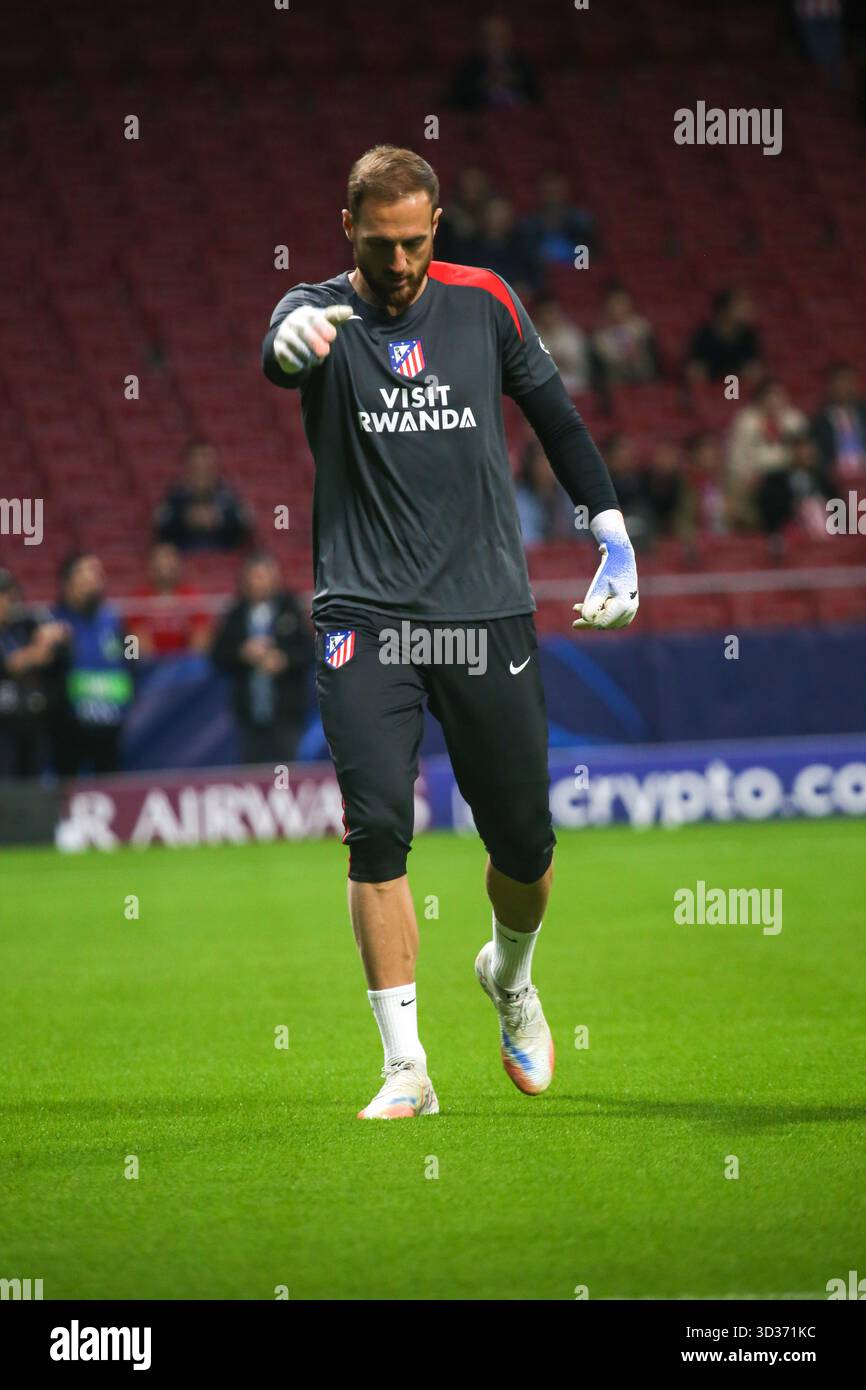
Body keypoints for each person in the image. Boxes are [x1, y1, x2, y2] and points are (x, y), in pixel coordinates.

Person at [262, 144, 639, 1120]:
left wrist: (611, 535)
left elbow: (555, 417)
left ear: (437, 228)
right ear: (346, 227)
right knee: (376, 824)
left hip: (482, 613)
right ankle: (406, 1066)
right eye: (378, 244)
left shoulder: (483, 301)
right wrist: (292, 343)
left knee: (523, 842)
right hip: (364, 615)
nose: (396, 264)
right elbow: (277, 348)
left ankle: (508, 976)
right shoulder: (314, 310)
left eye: (412, 242)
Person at [210, 552, 314, 766]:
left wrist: (283, 659)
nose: (260, 582)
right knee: (252, 774)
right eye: (255, 576)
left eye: (265, 576)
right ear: (246, 579)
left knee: (288, 772)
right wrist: (242, 652)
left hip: (286, 709)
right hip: (249, 712)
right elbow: (217, 654)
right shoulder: (236, 612)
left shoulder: (290, 608)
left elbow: (309, 650)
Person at [49, 553, 132, 776]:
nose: (96, 579)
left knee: (110, 787)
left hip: (109, 724)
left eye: (99, 574)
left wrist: (134, 651)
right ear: (68, 582)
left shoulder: (113, 619)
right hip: (69, 727)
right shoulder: (52, 621)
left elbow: (131, 655)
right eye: (88, 573)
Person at [0, 570, 68, 778]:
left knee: (33, 783)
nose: (7, 602)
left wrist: (52, 635)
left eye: (8, 595)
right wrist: (33, 655)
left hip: (31, 719)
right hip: (3, 728)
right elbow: (12, 664)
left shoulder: (23, 625)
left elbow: (58, 636)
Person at [726, 380, 807, 532]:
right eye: (772, 396)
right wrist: (747, 476)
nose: (776, 400)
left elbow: (804, 450)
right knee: (769, 494)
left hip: (788, 475)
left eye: (780, 395)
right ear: (761, 398)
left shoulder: (794, 418)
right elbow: (737, 457)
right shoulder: (746, 420)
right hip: (758, 478)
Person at [153, 441, 252, 553]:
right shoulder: (175, 497)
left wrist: (219, 519)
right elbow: (162, 527)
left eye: (206, 462)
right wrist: (187, 518)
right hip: (184, 556)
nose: (202, 466)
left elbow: (244, 523)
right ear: (188, 465)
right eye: (198, 463)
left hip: (223, 557)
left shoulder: (228, 496)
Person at [127, 542, 211, 658]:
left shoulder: (193, 597)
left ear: (179, 565)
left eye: (170, 559)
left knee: (201, 665)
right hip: (149, 665)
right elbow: (133, 645)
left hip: (186, 664)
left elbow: (201, 639)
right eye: (160, 559)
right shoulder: (138, 598)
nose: (165, 563)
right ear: (150, 567)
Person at [449, 14, 541, 112]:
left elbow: (536, 99)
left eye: (501, 37)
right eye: (490, 38)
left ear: (510, 39)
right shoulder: (468, 66)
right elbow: (456, 101)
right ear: (481, 41)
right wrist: (484, 84)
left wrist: (514, 82)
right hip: (481, 121)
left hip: (519, 120)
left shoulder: (524, 64)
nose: (496, 43)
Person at [686, 288, 763, 385]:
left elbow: (754, 368)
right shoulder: (703, 334)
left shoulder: (749, 335)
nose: (747, 309)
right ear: (725, 309)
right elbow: (694, 369)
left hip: (738, 388)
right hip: (709, 388)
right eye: (740, 306)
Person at [519, 171, 597, 266]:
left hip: (577, 274)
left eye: (557, 191)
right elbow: (528, 261)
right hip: (543, 277)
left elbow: (588, 261)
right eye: (549, 192)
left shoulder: (582, 222)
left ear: (565, 192)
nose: (553, 197)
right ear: (541, 194)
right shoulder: (529, 226)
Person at [811, 361, 866, 493]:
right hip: (837, 476)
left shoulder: (863, 412)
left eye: (848, 381)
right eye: (840, 381)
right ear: (830, 386)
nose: (845, 387)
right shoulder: (820, 419)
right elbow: (820, 456)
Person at [591, 283, 659, 387]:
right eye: (614, 304)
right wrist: (622, 358)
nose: (618, 308)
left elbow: (651, 354)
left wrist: (637, 352)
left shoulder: (641, 326)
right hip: (616, 381)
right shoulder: (601, 334)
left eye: (621, 303)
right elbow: (606, 360)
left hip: (644, 376)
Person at [532, 296, 591, 395]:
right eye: (543, 313)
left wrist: (556, 360)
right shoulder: (531, 336)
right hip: (544, 385)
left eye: (550, 312)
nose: (547, 318)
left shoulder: (572, 333)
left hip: (573, 382)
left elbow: (578, 363)